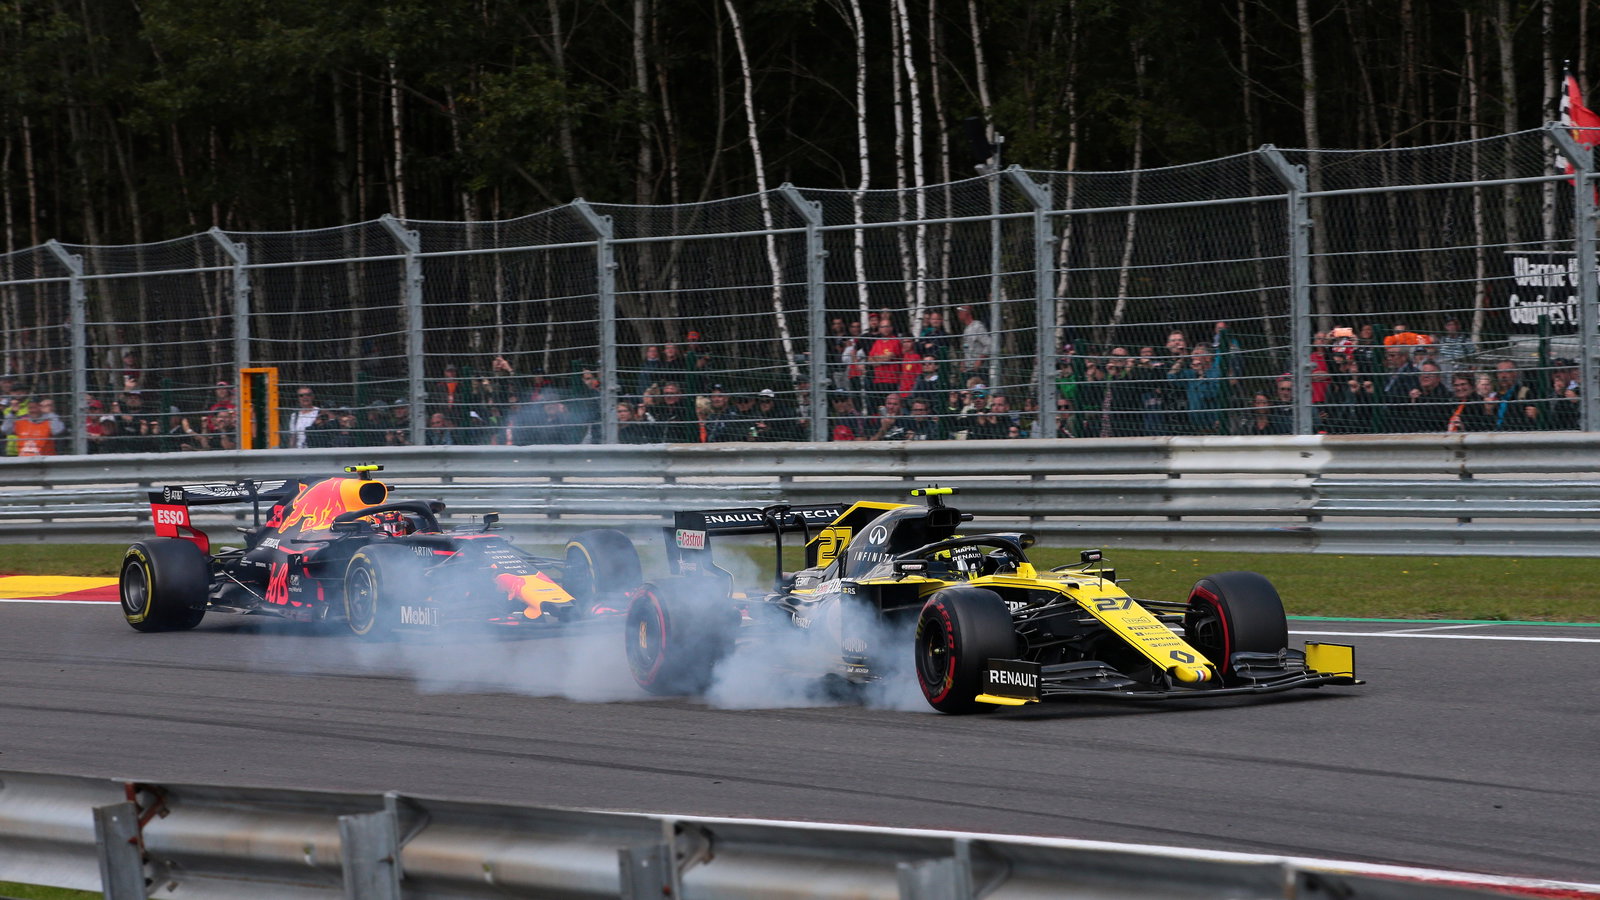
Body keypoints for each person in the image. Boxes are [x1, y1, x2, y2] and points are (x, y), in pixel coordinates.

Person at [955, 305, 991, 376]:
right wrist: (963, 362)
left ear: (967, 312)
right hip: (968, 369)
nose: (958, 314)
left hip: (979, 369)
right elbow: (966, 348)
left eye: (960, 311)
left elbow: (989, 344)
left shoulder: (977, 327)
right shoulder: (966, 329)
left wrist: (980, 360)